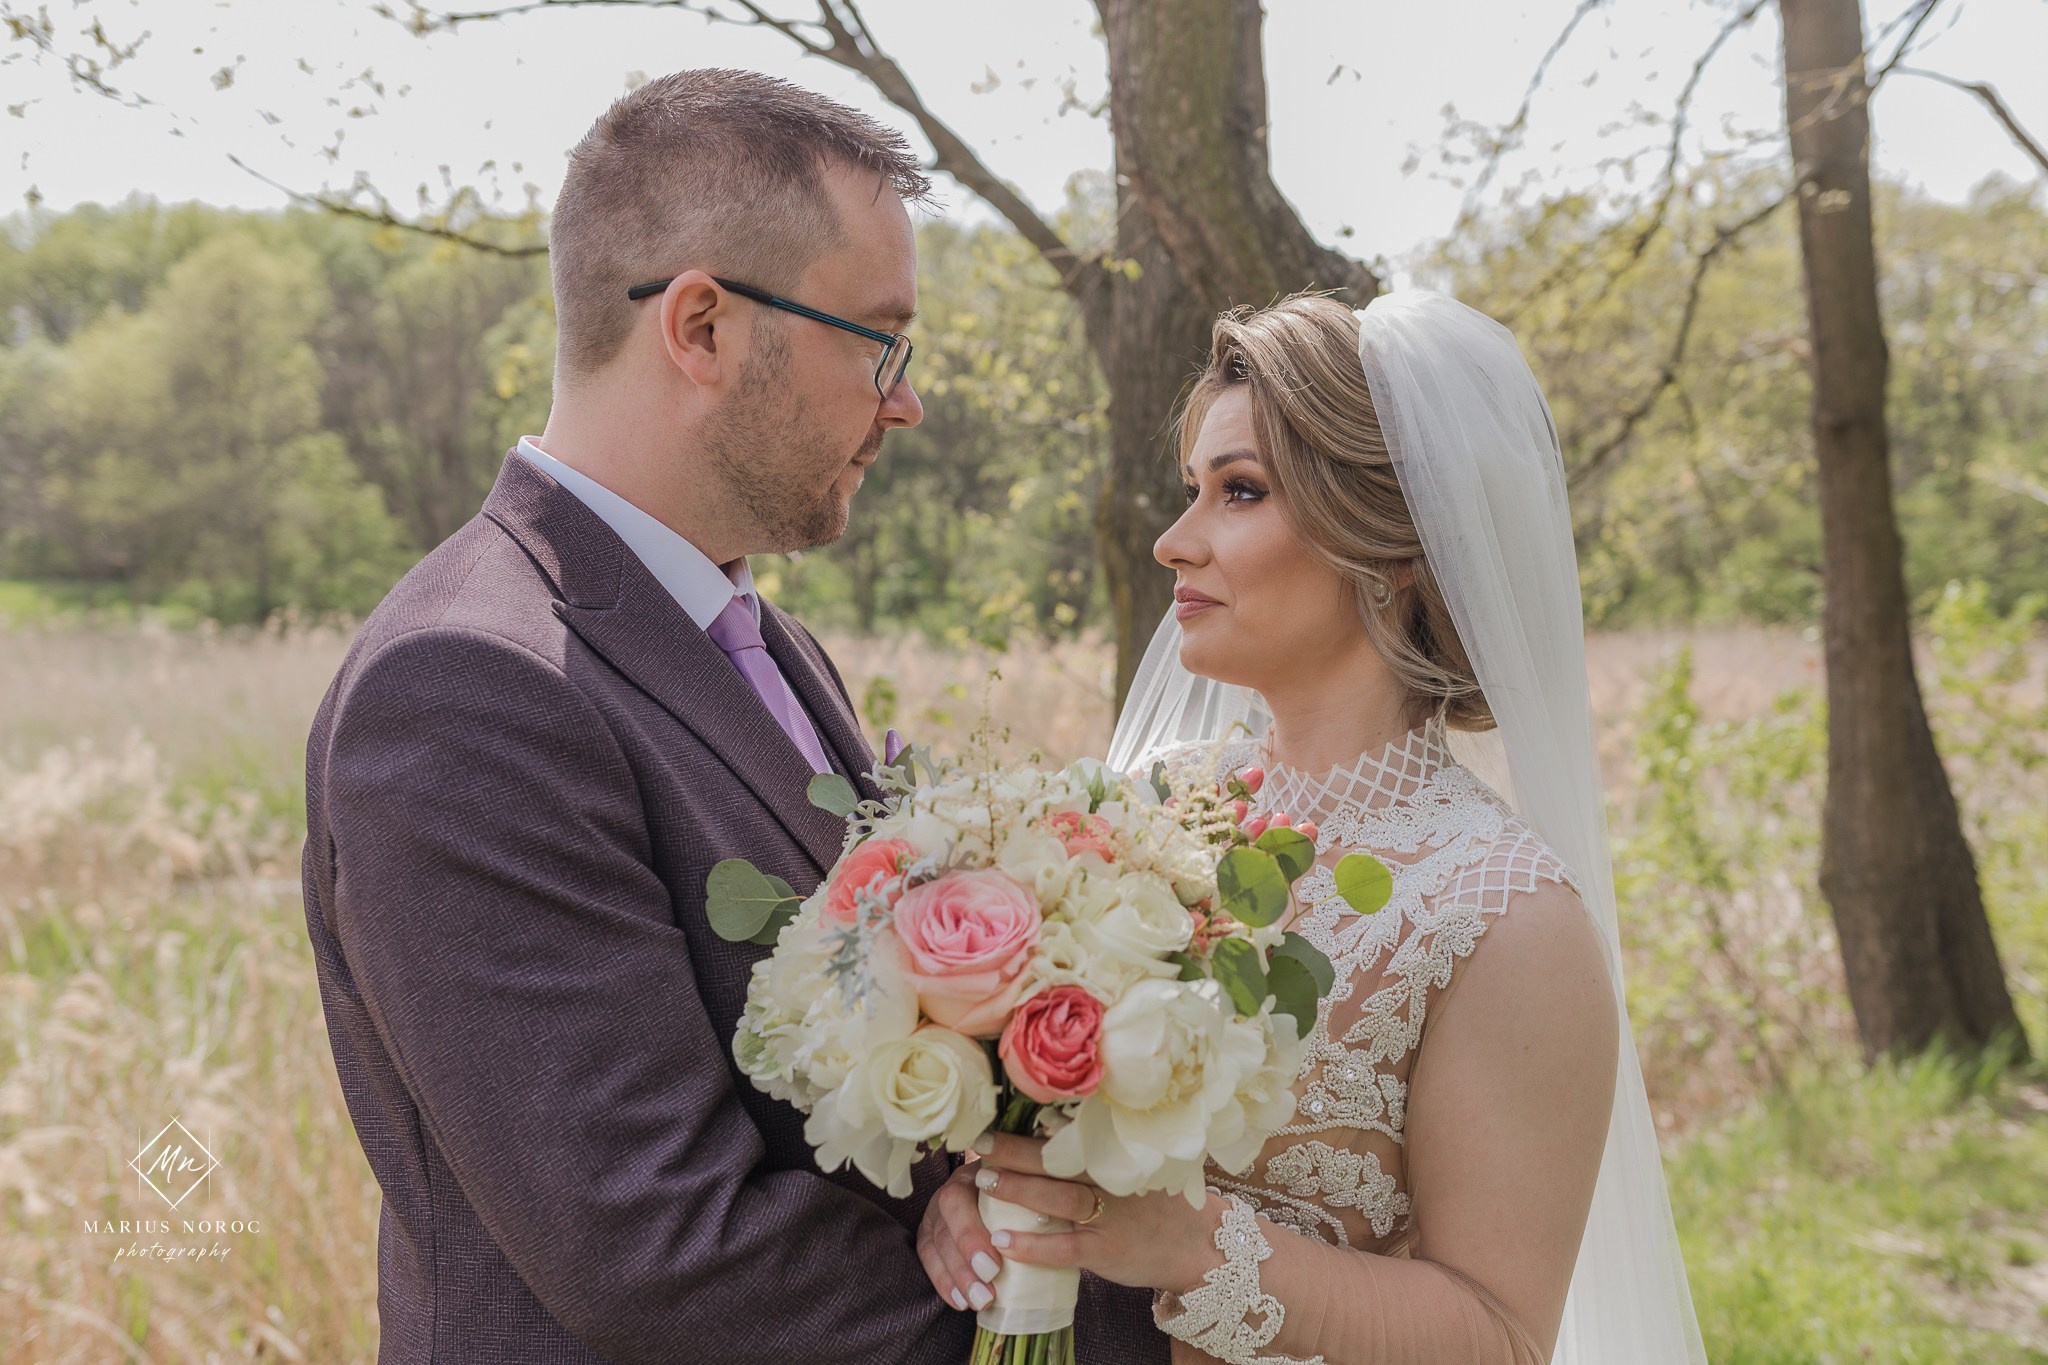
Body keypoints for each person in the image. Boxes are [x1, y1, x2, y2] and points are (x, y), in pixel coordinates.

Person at [300, 68, 1159, 1363]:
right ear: (700, 327)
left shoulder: (764, 642)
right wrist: (1127, 1302)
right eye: (878, 338)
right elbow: (659, 1250)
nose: (905, 398)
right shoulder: (468, 691)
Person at [919, 291, 1710, 1363]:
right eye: (1189, 491)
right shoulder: (1136, 813)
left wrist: (1192, 1248)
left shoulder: (1500, 916)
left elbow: (1501, 1335)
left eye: (1237, 492)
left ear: (1395, 545)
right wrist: (983, 1197)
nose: (1171, 543)